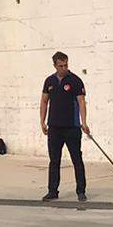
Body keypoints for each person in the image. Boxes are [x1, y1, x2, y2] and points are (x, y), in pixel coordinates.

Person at [40, 51, 90, 202]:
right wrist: (42, 121)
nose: (64, 68)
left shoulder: (75, 80)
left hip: (72, 127)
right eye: (60, 65)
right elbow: (44, 101)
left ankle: (81, 191)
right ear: (55, 65)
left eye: (66, 65)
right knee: (54, 160)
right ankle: (52, 191)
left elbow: (81, 102)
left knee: (77, 159)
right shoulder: (49, 81)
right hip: (54, 127)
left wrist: (84, 122)